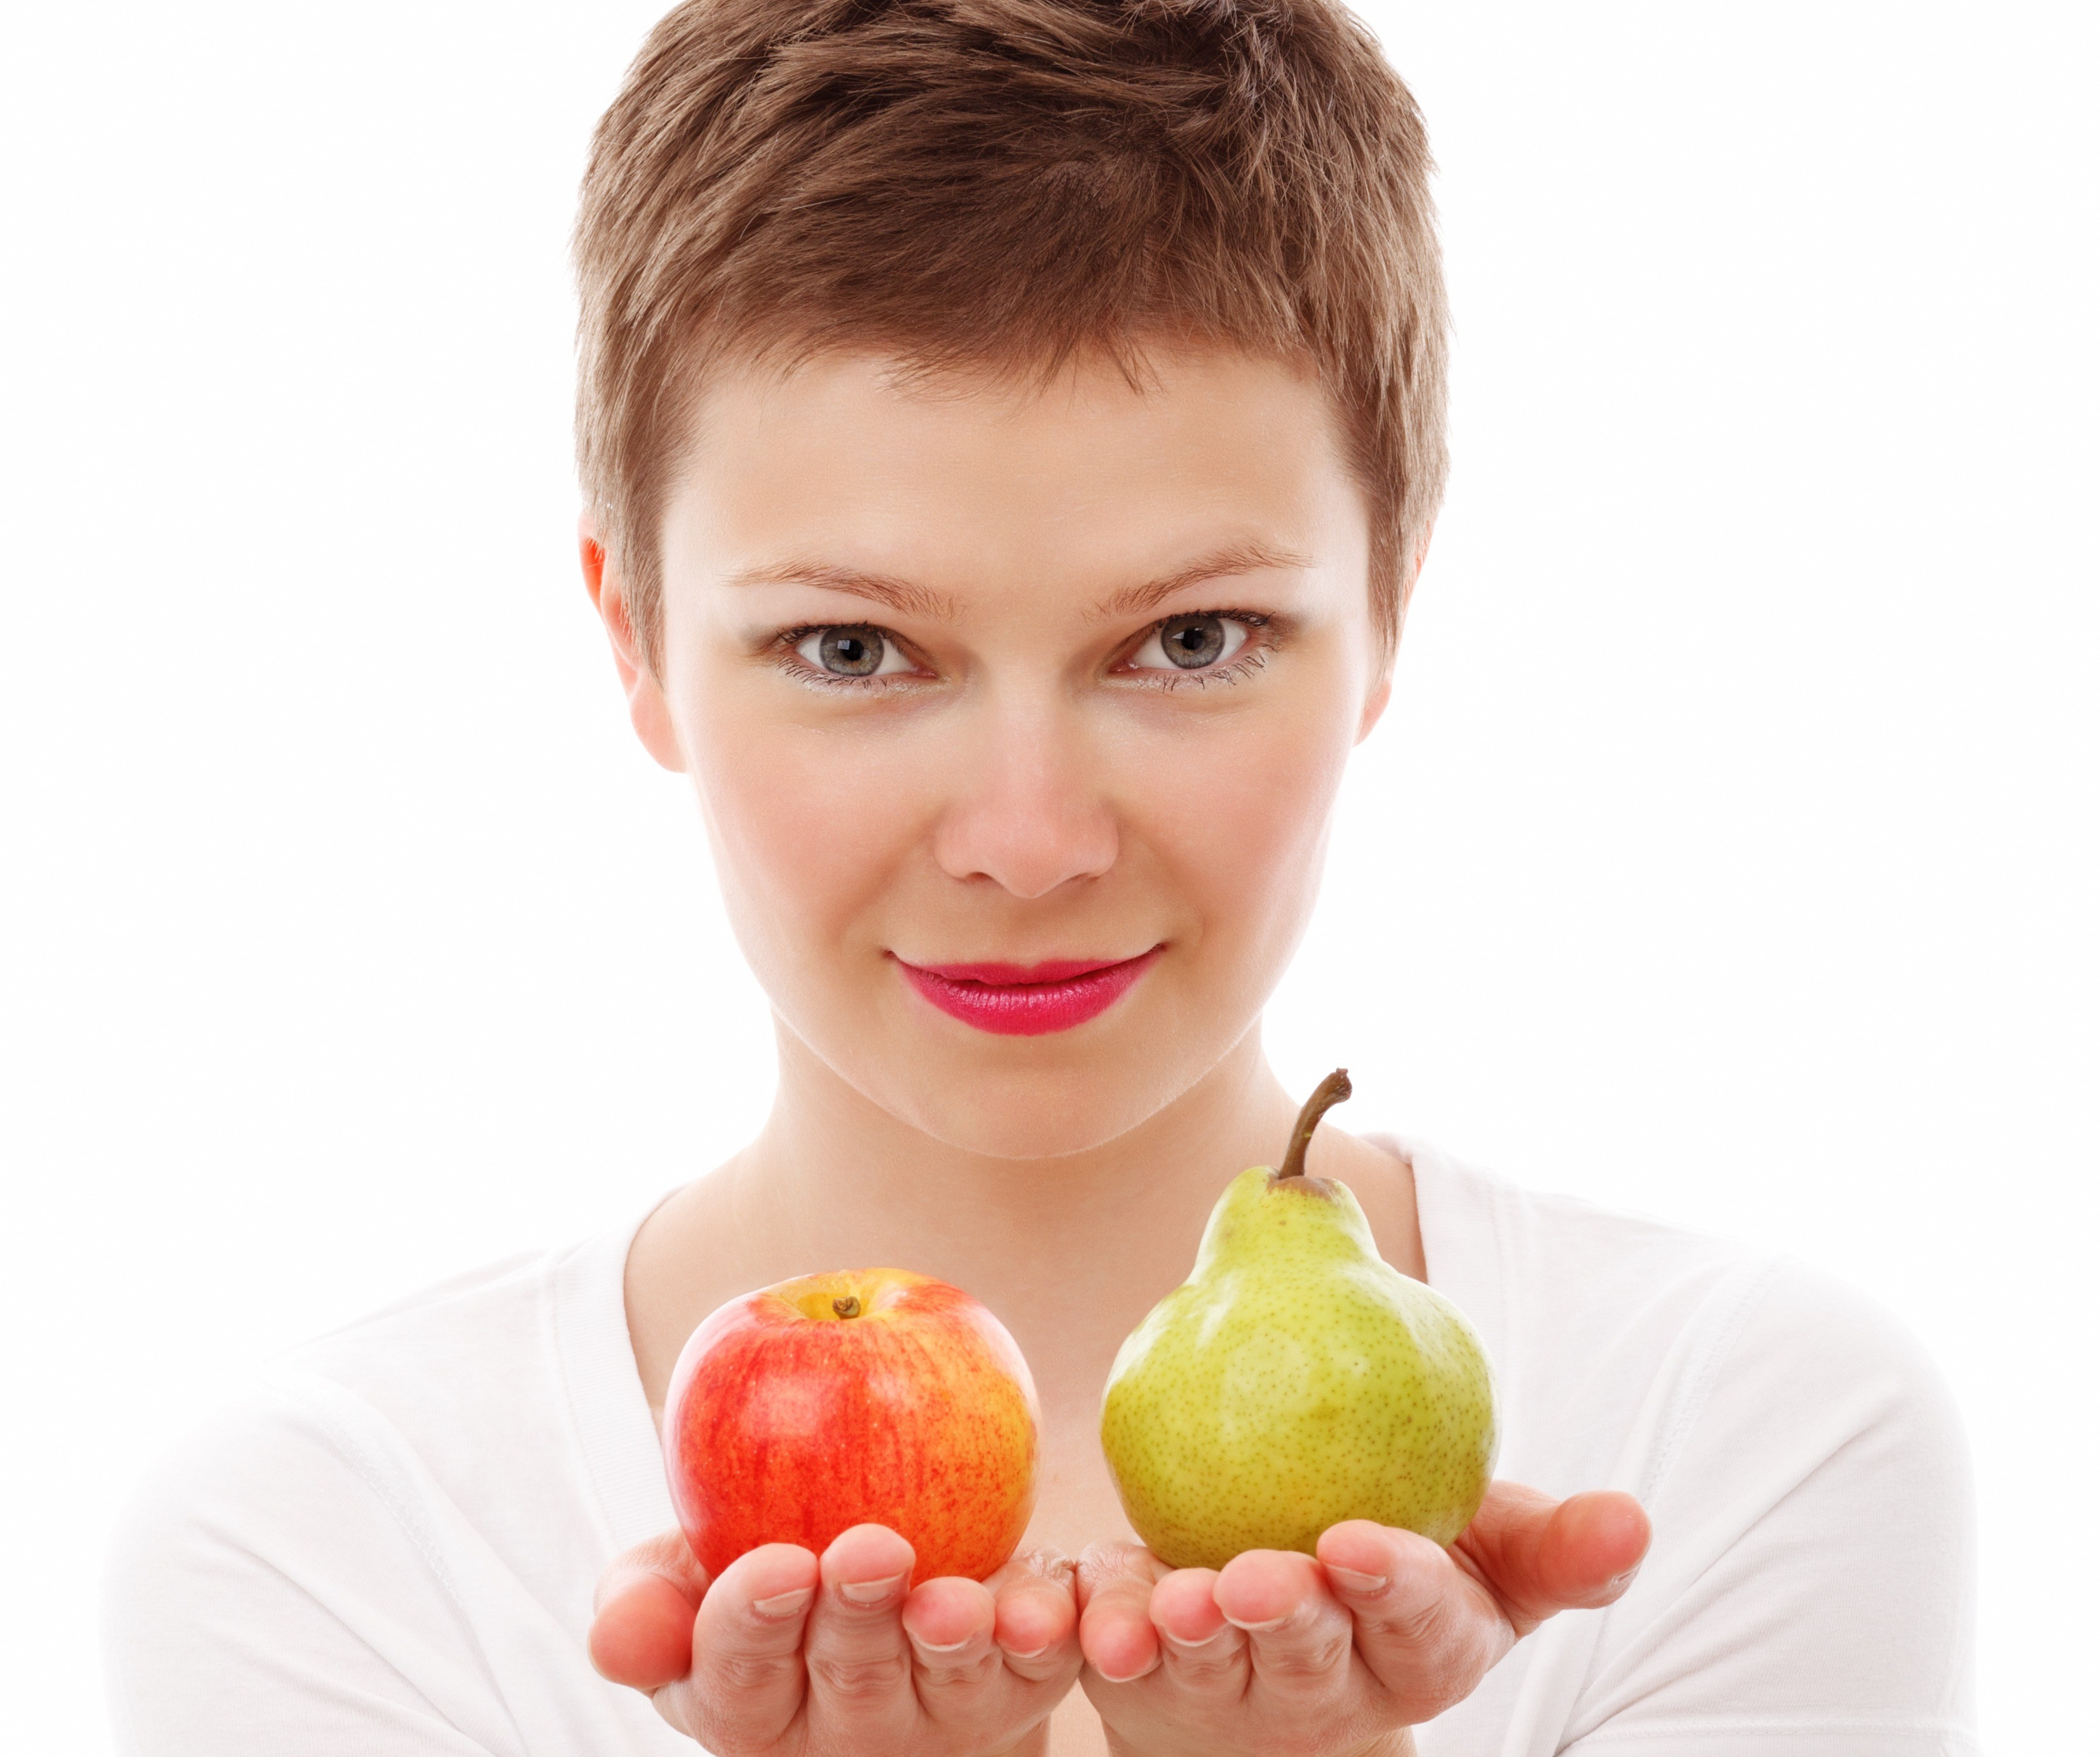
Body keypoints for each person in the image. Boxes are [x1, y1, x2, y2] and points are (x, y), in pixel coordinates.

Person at [100, 2, 1977, 1753]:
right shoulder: (329, 1550)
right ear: (638, 643)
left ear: (1389, 610)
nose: (1028, 837)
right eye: (851, 649)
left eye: (1191, 640)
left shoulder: (1736, 1443)